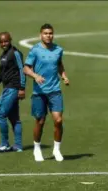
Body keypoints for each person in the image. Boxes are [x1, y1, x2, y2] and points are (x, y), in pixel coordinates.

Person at [23, 23, 69, 162]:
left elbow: (59, 64)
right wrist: (35, 76)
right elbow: (26, 68)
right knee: (40, 121)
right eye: (45, 33)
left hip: (54, 90)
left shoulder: (58, 50)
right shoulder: (35, 50)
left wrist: (64, 76)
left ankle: (57, 149)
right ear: (40, 35)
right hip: (39, 92)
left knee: (58, 120)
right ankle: (37, 149)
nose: (48, 36)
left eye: (50, 33)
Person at [0, 32, 26, 153]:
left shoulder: (15, 53)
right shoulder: (3, 55)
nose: (4, 44)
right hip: (7, 88)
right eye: (1, 42)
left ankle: (4, 144)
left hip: (13, 88)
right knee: (14, 117)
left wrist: (22, 88)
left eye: (6, 41)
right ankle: (18, 146)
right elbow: (0, 73)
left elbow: (22, 70)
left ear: (10, 40)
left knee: (1, 115)